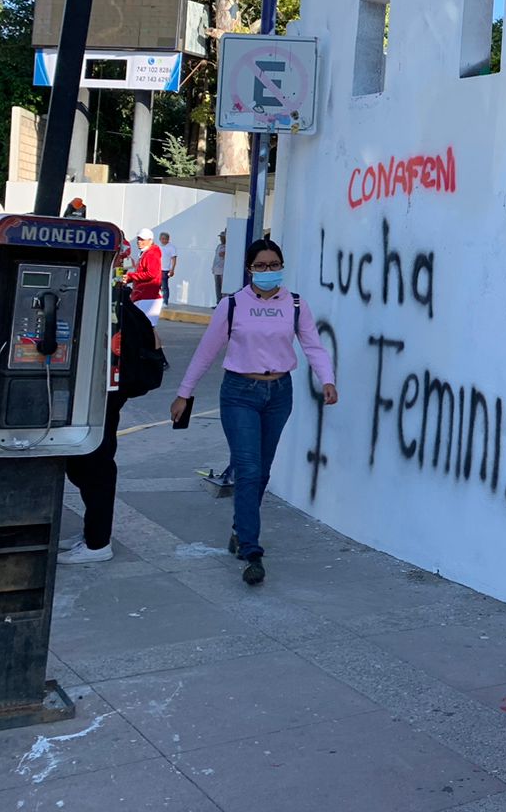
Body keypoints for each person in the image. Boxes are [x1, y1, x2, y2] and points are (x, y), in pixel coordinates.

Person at [171, 238, 337, 586]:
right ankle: (251, 549)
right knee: (247, 468)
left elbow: (312, 344)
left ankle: (239, 529)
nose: (267, 271)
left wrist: (327, 379)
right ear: (249, 269)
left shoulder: (293, 304)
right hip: (239, 393)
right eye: (260, 266)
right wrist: (184, 393)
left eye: (274, 264)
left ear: (282, 266)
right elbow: (206, 352)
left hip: (279, 394)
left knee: (261, 471)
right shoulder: (232, 305)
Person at [61, 288, 164, 564]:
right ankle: (92, 533)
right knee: (84, 463)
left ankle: (98, 542)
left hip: (101, 394)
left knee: (95, 465)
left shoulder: (111, 305)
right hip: (102, 393)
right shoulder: (117, 301)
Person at [124, 229, 165, 320]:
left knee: (146, 327)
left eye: (142, 239)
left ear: (150, 240)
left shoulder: (151, 254)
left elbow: (151, 274)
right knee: (144, 327)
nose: (139, 241)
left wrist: (131, 276)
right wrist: (129, 278)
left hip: (149, 296)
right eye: (138, 239)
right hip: (143, 295)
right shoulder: (145, 253)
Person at [159, 231, 178, 303]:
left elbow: (174, 259)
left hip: (166, 270)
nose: (163, 240)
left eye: (165, 239)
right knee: (157, 286)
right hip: (158, 269)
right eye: (162, 239)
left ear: (168, 239)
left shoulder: (171, 248)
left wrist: (172, 269)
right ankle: (158, 301)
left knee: (164, 286)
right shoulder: (158, 247)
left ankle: (165, 301)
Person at [212, 231, 227, 303]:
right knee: (217, 288)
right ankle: (218, 303)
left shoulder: (228, 247)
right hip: (216, 270)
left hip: (223, 271)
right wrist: (213, 267)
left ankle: (223, 304)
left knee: (223, 289)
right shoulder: (219, 246)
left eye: (222, 237)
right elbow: (216, 258)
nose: (221, 239)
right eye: (221, 237)